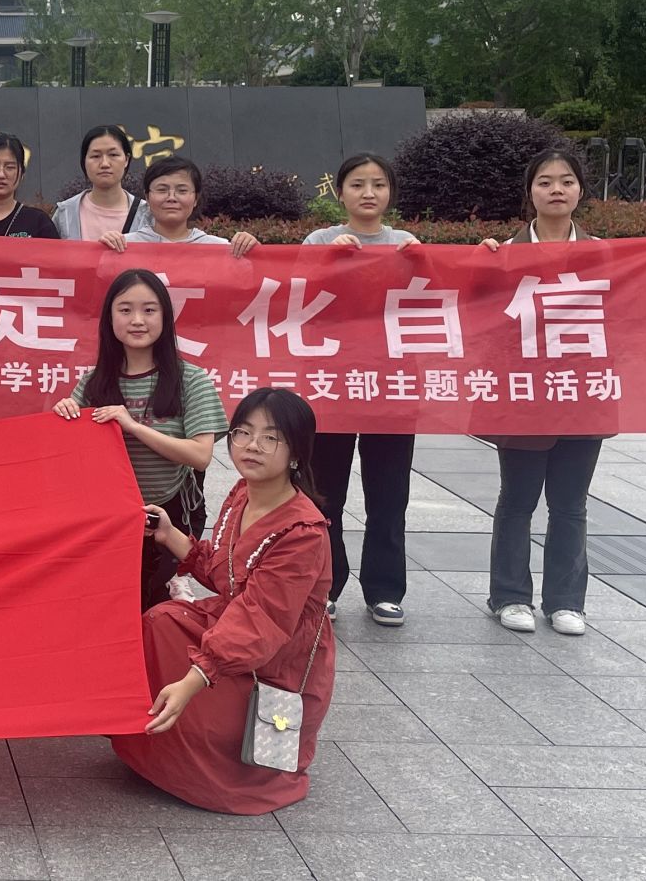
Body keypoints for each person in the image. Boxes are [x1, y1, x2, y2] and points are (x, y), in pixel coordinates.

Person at [112, 388, 335, 815]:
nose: (252, 445)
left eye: (271, 437)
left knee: (176, 638)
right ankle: (164, 750)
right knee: (161, 621)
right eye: (243, 432)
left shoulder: (302, 532)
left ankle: (212, 762)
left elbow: (261, 619)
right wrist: (168, 534)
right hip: (239, 628)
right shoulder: (243, 494)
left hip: (276, 654)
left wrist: (194, 678)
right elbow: (224, 573)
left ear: (296, 453)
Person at [477, 148, 614, 637]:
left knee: (570, 504)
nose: (557, 189)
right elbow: (478, 320)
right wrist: (480, 265)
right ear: (529, 192)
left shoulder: (604, 254)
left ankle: (566, 601)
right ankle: (509, 595)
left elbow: (638, 310)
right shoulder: (503, 254)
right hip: (524, 395)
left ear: (581, 190)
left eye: (567, 180)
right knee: (518, 500)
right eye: (545, 181)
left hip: (581, 394)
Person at [53, 268, 227, 611]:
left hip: (168, 513)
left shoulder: (190, 380)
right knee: (110, 605)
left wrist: (132, 426)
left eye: (149, 310)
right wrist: (65, 415)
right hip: (108, 517)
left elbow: (200, 455)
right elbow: (70, 457)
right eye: (125, 310)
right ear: (110, 318)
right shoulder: (92, 383)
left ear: (165, 317)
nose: (137, 320)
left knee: (151, 604)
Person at [300, 153, 418, 624]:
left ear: (390, 192)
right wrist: (328, 262)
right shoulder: (319, 241)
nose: (368, 193)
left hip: (391, 386)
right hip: (332, 385)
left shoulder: (406, 243)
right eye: (357, 184)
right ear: (340, 192)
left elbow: (429, 303)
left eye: (378, 184)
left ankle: (385, 590)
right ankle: (326, 585)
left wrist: (420, 264)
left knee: (389, 494)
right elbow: (297, 300)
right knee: (326, 494)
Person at [124, 157, 260, 254]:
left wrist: (254, 251)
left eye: (182, 191)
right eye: (162, 190)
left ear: (196, 198)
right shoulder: (126, 246)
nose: (171, 198)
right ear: (147, 197)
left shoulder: (218, 248)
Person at [53, 124, 156, 246]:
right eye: (96, 156)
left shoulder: (147, 214)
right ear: (84, 161)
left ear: (126, 159)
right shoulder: (65, 213)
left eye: (113, 155)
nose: (104, 164)